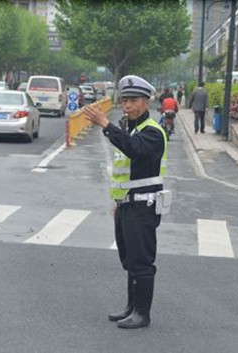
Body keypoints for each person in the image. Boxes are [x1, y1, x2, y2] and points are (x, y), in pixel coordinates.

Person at [82, 75, 167, 329]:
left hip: (143, 206)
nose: (127, 106)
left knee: (141, 262)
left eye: (133, 101)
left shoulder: (152, 132)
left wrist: (106, 125)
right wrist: (118, 202)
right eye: (125, 100)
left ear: (146, 102)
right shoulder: (133, 129)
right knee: (130, 260)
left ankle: (143, 313)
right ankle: (131, 308)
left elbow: (134, 149)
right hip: (127, 205)